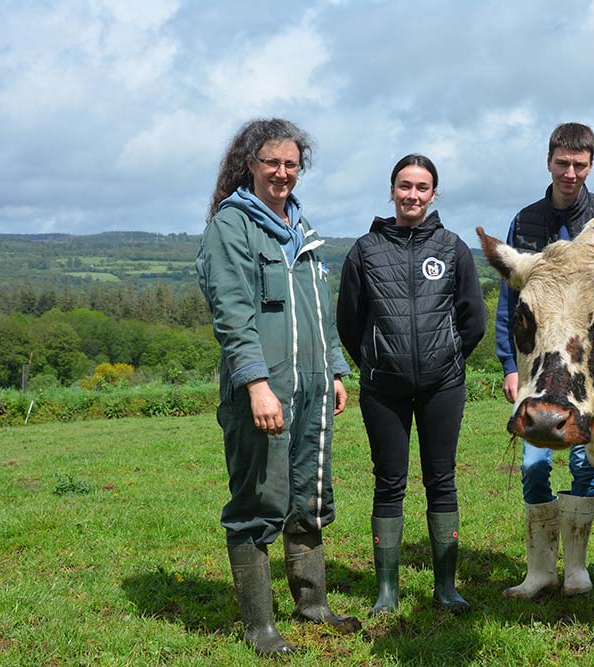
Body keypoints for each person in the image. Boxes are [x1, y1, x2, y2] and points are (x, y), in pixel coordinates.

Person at [196, 118, 359, 656]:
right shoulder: (232, 225)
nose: (283, 172)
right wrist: (256, 385)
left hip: (313, 388)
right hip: (263, 391)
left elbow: (320, 313)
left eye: (291, 163)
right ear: (251, 164)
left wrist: (335, 367)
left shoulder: (300, 227)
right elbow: (233, 315)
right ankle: (260, 627)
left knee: (309, 495)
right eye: (272, 162)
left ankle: (313, 604)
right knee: (260, 500)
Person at [337, 154, 485, 616]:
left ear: (433, 194)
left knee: (442, 481)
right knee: (389, 484)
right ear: (392, 190)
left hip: (444, 385)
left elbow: (473, 318)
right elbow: (348, 321)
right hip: (384, 389)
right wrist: (376, 361)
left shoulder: (452, 247)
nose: (413, 195)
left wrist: (447, 355)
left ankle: (446, 588)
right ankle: (386, 591)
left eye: (422, 187)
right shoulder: (364, 250)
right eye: (405, 186)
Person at [497, 123, 594, 599]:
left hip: (587, 377)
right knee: (533, 464)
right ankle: (540, 569)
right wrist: (509, 365)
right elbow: (512, 306)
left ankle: (577, 570)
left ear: (590, 166)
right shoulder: (524, 223)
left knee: (586, 463)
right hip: (537, 375)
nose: (570, 173)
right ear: (548, 162)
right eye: (562, 163)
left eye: (579, 165)